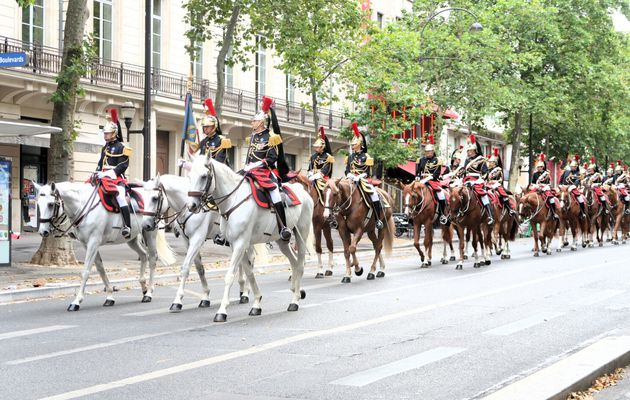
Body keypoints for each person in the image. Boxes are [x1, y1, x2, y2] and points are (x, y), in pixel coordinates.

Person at [242, 96, 292, 241]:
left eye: (254, 121)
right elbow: (250, 155)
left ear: (262, 122)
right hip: (250, 169)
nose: (252, 123)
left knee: (274, 192)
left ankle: (283, 227)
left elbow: (271, 159)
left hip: (265, 170)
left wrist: (256, 165)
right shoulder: (253, 136)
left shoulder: (272, 136)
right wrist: (247, 166)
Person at [95, 109, 133, 238]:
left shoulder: (122, 148)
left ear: (114, 134)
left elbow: (123, 165)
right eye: (105, 133)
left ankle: (127, 226)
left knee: (121, 197)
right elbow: (101, 162)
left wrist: (108, 173)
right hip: (103, 176)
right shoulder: (104, 147)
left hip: (116, 178)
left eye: (107, 133)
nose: (105, 135)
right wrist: (97, 172)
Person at [346, 122, 384, 230]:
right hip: (351, 179)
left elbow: (368, 171)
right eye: (352, 144)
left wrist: (359, 176)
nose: (352, 146)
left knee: (374, 195)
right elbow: (347, 169)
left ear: (360, 144)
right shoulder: (350, 157)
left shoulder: (366, 156)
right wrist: (349, 175)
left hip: (363, 179)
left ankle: (377, 219)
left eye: (354, 144)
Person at [415, 135, 448, 224]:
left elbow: (437, 173)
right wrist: (417, 177)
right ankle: (413, 212)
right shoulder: (420, 160)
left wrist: (428, 178)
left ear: (433, 152)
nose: (428, 153)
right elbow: (418, 171)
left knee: (440, 194)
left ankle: (442, 214)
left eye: (430, 151)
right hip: (422, 181)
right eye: (426, 152)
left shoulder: (437, 160)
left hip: (433, 181)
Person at [462, 134, 494, 225]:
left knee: (482, 194)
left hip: (477, 181)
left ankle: (489, 214)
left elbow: (485, 174)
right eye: (468, 150)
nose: (468, 152)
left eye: (470, 150)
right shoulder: (467, 160)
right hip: (466, 180)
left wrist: (476, 181)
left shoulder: (482, 160)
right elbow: (465, 172)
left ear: (475, 150)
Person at [486, 148, 516, 216]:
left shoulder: (498, 170)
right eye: (489, 162)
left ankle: (509, 209)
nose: (489, 163)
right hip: (488, 185)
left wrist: (493, 184)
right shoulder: (488, 170)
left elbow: (499, 179)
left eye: (491, 162)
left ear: (495, 163)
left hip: (496, 184)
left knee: (502, 194)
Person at [531, 153, 559, 221]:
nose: (539, 168)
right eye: (538, 167)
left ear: (542, 167)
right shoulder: (535, 174)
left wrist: (543, 188)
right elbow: (533, 183)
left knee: (551, 199)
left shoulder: (546, 173)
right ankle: (529, 213)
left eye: (540, 167)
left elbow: (548, 183)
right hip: (537, 187)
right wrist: (537, 187)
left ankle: (553, 213)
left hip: (545, 188)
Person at [559, 154, 586, 219]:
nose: (572, 167)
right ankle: (555, 212)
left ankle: (582, 213)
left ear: (576, 167)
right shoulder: (566, 172)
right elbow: (561, 180)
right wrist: (560, 185)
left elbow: (576, 182)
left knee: (580, 199)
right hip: (564, 188)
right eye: (571, 166)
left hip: (573, 188)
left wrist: (571, 187)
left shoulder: (578, 173)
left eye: (573, 166)